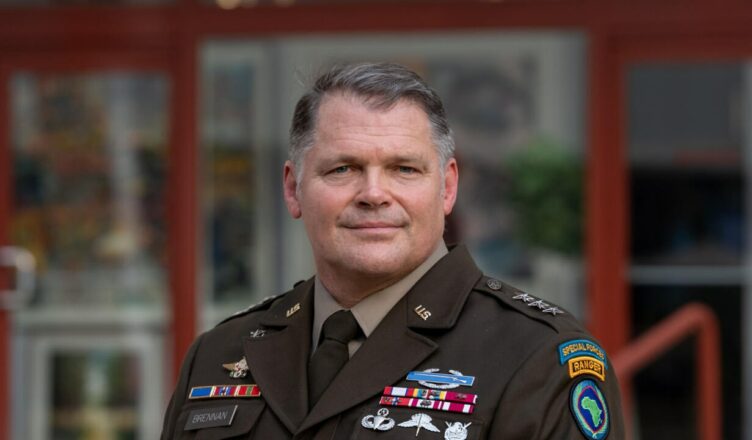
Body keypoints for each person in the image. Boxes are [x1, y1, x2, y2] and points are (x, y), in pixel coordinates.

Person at [161, 62, 624, 440]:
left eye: (404, 169)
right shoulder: (219, 354)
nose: (374, 194)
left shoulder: (539, 357)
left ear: (447, 188)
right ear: (293, 188)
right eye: (343, 169)